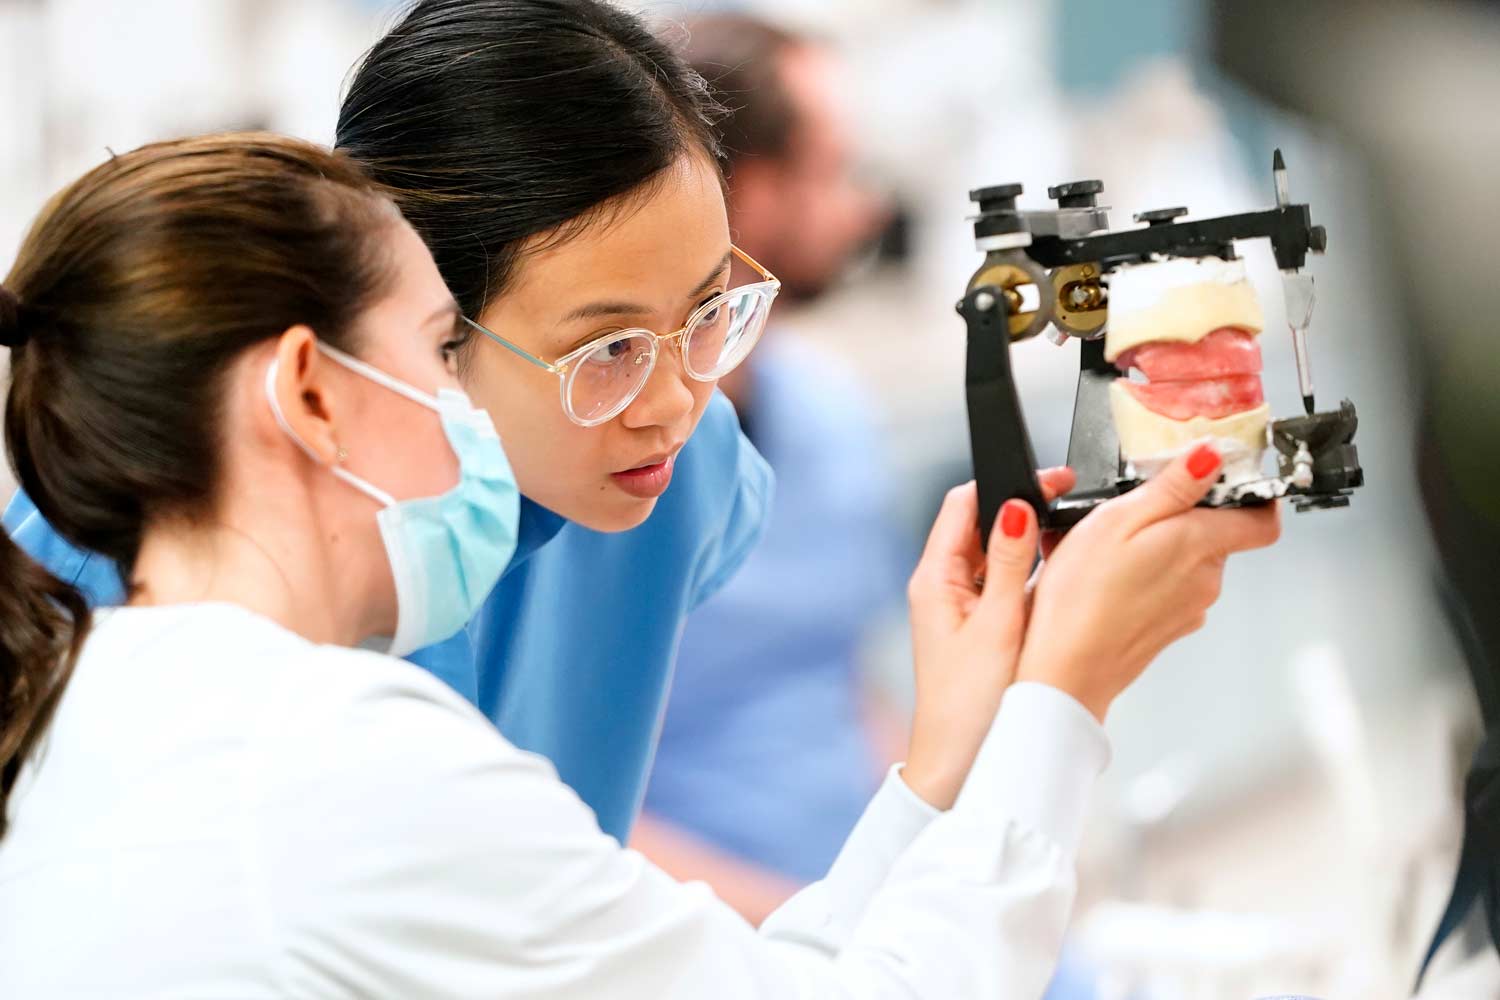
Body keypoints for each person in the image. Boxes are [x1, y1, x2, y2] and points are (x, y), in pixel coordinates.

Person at [0, 133, 1280, 997]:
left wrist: (950, 758)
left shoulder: (111, 717)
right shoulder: (325, 758)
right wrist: (1065, 701)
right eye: (443, 349)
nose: (471, 408)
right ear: (310, 394)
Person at [2, 0, 774, 841]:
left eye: (706, 312)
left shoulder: (683, 471)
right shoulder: (136, 539)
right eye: (607, 350)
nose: (673, 404)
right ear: (427, 324)